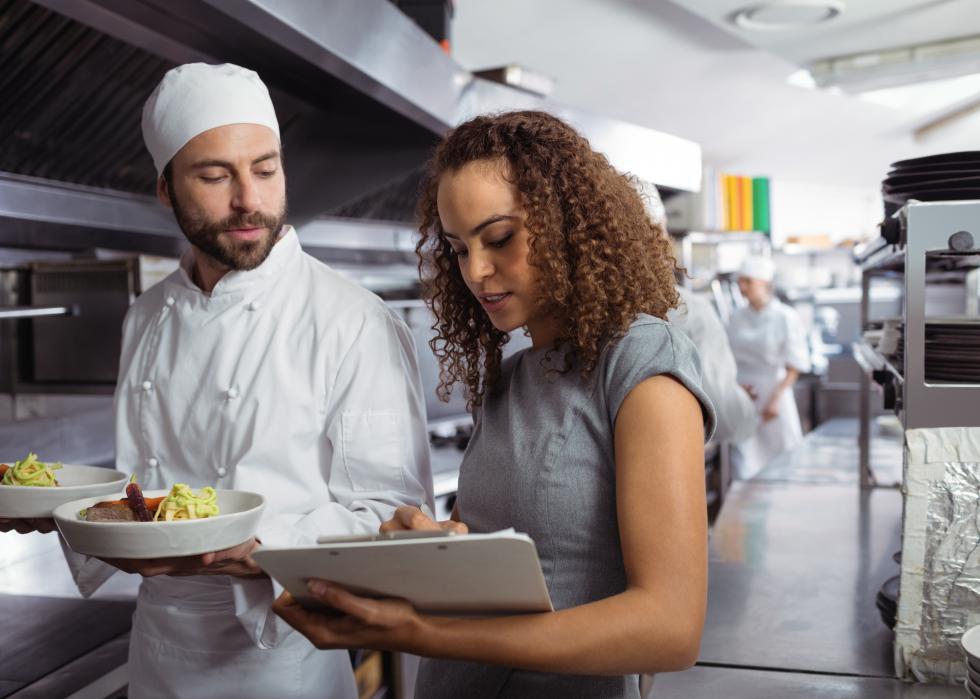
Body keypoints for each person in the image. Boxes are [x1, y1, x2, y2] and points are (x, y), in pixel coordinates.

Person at [272, 110, 716, 698]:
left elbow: (670, 628)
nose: (476, 271)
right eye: (457, 249)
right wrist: (429, 552)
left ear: (565, 223)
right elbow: (527, 562)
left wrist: (428, 631)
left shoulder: (638, 360)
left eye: (500, 238)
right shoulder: (509, 377)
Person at [48, 63, 432, 699]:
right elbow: (140, 495)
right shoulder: (145, 315)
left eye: (265, 168)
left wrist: (261, 548)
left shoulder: (350, 319)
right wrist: (67, 517)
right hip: (158, 653)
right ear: (167, 189)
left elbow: (391, 516)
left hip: (284, 663)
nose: (249, 200)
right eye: (215, 175)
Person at [639, 181, 756, 444]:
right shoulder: (690, 312)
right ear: (659, 231)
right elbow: (727, 417)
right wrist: (742, 403)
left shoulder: (560, 315)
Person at [727, 255, 811, 479]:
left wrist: (776, 399)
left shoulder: (785, 316)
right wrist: (736, 389)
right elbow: (727, 358)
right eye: (740, 282)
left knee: (782, 460)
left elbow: (795, 364)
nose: (742, 288)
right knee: (743, 462)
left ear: (764, 283)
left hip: (775, 393)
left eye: (748, 282)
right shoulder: (736, 317)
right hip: (744, 394)